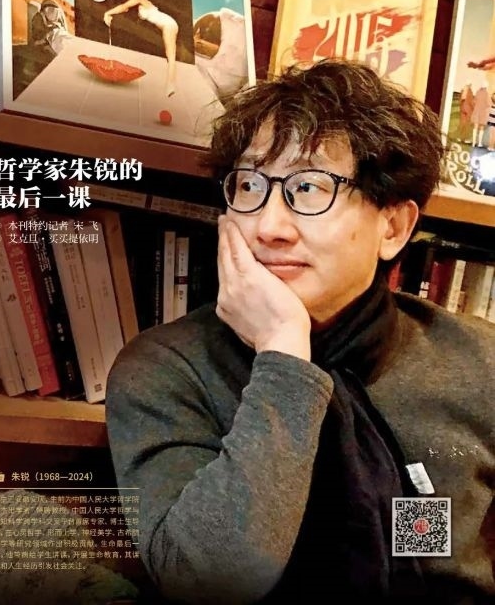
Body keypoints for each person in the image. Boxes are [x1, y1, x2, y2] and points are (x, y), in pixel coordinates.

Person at [106, 59, 495, 604]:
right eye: (250, 185)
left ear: (393, 226)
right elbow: (208, 581)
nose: (268, 226)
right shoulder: (166, 369)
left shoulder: (477, 360)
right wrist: (285, 356)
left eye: (309, 188)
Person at [104, 0, 179, 97]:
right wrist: (112, 15)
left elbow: (123, 7)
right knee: (170, 56)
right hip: (167, 24)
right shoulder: (135, 0)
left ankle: (170, 86)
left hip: (168, 24)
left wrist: (107, 13)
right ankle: (170, 86)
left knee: (170, 56)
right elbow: (125, 8)